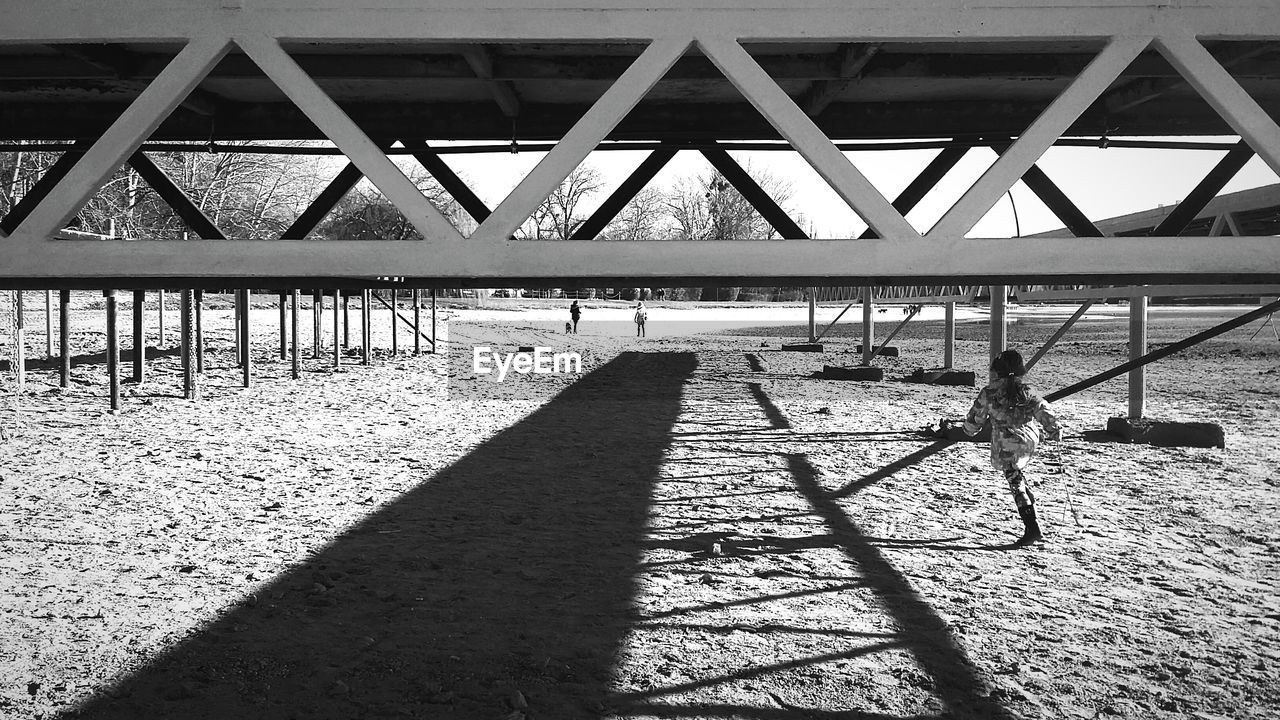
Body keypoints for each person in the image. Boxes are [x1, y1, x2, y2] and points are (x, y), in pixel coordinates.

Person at [954, 349, 1061, 546]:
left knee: (1014, 482)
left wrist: (967, 430)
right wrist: (1053, 429)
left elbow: (974, 420)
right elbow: (1044, 410)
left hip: (1006, 443)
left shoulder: (990, 393)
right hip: (1029, 441)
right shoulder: (1028, 390)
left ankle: (1032, 528)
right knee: (1017, 474)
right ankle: (1032, 509)